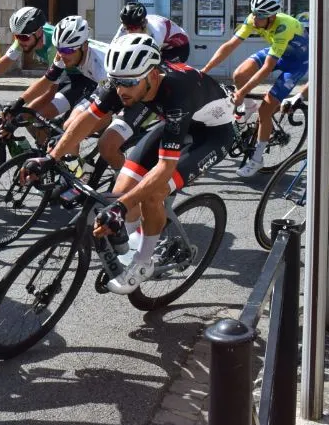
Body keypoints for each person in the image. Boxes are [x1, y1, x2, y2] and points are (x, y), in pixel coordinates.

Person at [33, 33, 235, 292]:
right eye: (117, 82)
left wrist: (120, 207)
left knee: (153, 194)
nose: (121, 90)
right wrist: (50, 158)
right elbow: (88, 119)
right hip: (176, 123)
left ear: (152, 75)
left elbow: (164, 168)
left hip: (212, 134)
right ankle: (133, 237)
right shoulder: (124, 79)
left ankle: (143, 261)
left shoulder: (178, 92)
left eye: (129, 83)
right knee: (122, 188)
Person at [200, 0, 310, 179]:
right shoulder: (253, 18)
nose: (254, 18)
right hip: (278, 51)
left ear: (272, 17)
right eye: (254, 13)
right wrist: (204, 70)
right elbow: (230, 45)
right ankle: (249, 107)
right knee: (239, 74)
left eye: (259, 16)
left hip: (297, 62)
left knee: (266, 110)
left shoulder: (284, 26)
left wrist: (242, 92)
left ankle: (258, 159)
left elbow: (267, 68)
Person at [7, 15, 121, 197]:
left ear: (84, 46)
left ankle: (81, 175)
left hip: (117, 90)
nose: (62, 55)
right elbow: (47, 81)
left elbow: (105, 109)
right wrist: (20, 102)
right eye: (59, 50)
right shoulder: (65, 53)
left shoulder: (103, 64)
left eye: (67, 50)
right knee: (68, 127)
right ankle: (75, 168)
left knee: (72, 127)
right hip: (97, 86)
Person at [0, 6, 54, 87]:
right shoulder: (25, 39)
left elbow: (50, 80)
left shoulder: (54, 44)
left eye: (23, 37)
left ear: (39, 32)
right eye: (16, 36)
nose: (19, 41)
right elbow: (3, 64)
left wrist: (22, 99)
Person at [113, 2, 190, 63]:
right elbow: (114, 46)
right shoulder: (124, 27)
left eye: (134, 28)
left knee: (158, 73)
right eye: (127, 28)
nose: (130, 31)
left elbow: (149, 59)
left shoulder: (156, 31)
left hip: (178, 48)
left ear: (144, 24)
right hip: (162, 45)